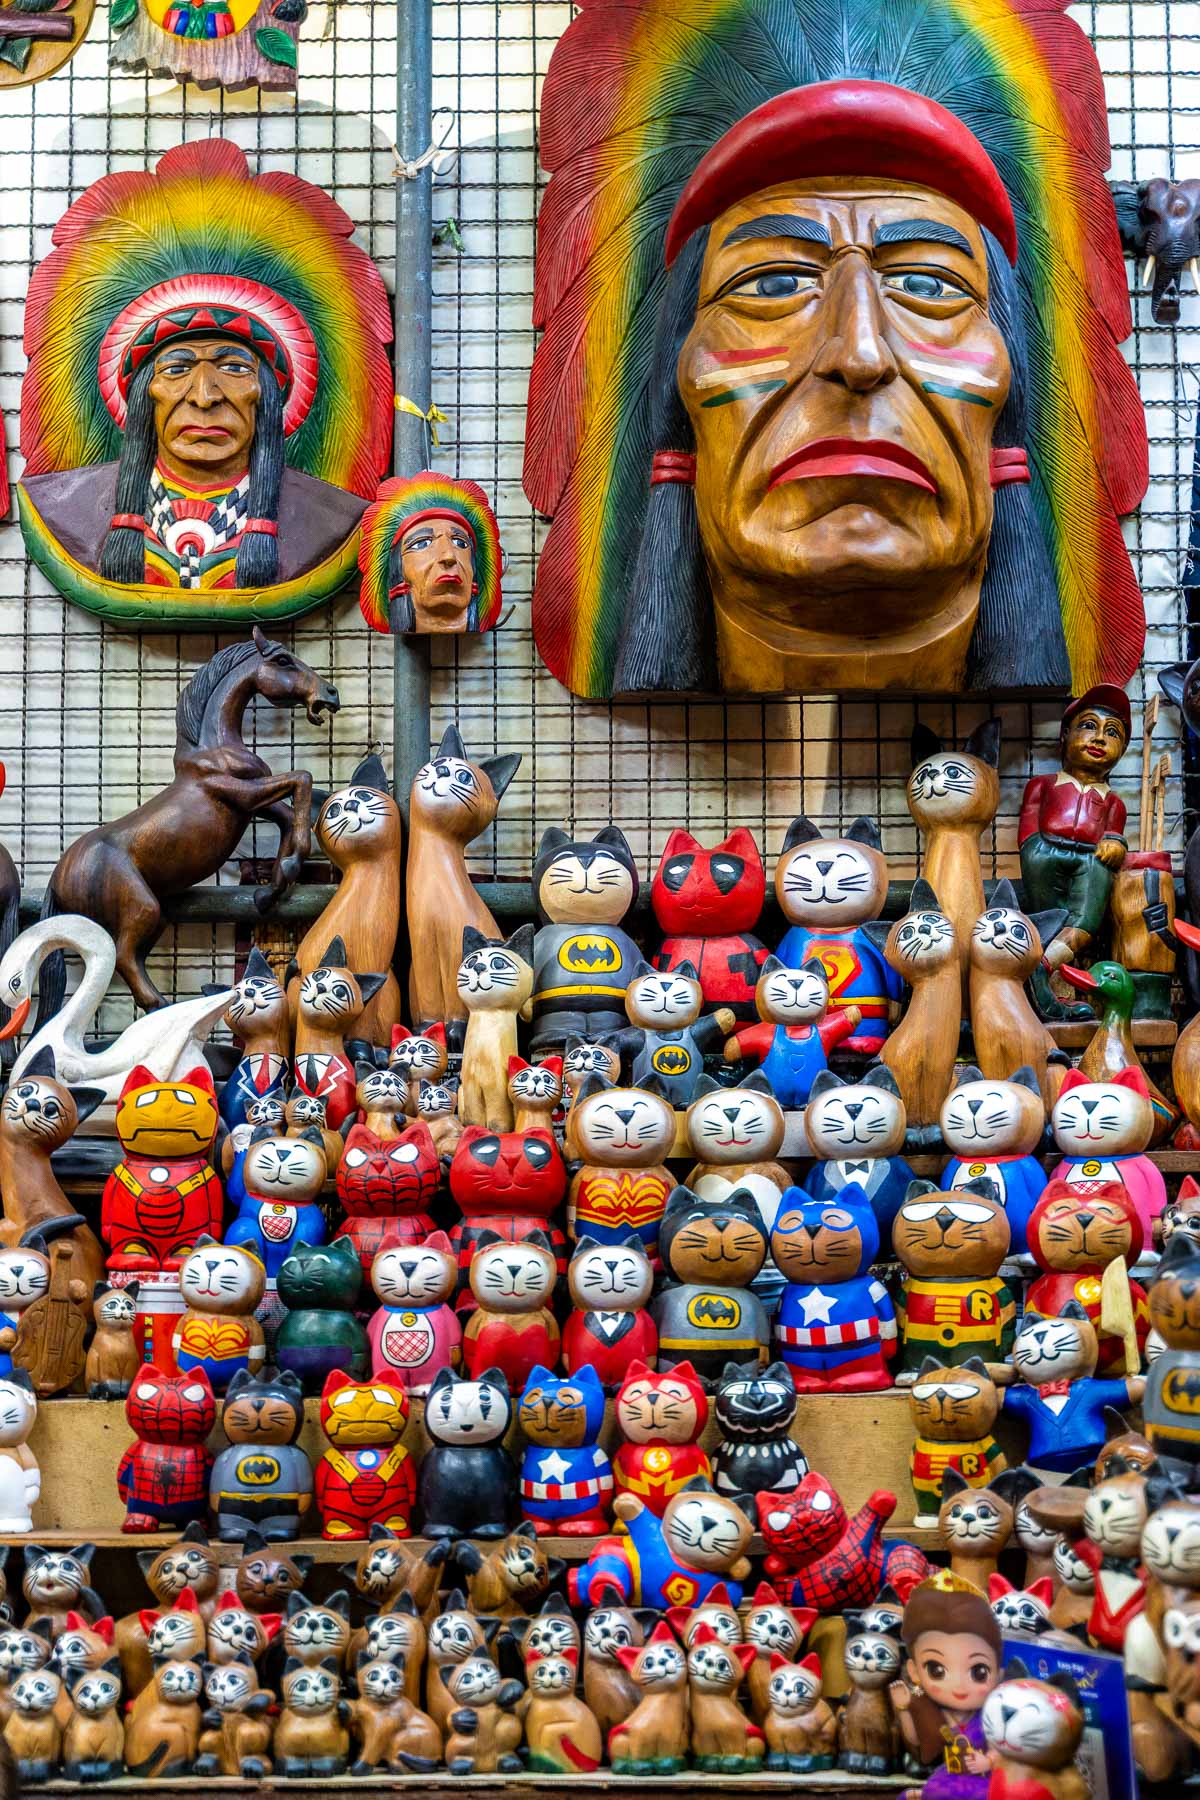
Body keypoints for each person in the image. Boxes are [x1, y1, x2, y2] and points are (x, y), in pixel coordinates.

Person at [1018, 685, 1131, 1017]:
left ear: (1122, 750)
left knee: (1084, 922)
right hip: (1045, 854)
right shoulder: (1043, 785)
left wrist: (1115, 844)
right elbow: (1028, 826)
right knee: (1047, 917)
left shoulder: (1113, 801)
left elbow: (1114, 833)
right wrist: (1034, 851)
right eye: (1088, 726)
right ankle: (1047, 985)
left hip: (1091, 860)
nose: (1098, 738)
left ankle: (1042, 967)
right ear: (1064, 736)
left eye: (1111, 733)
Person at [890, 1571, 1003, 1800]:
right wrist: (904, 1708)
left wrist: (988, 1760)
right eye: (937, 1671)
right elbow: (916, 1741)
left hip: (984, 1779)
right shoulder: (931, 1709)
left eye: (979, 1672)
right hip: (948, 1776)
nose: (958, 1686)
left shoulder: (991, 1713)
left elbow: (1006, 1748)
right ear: (914, 1671)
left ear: (998, 1673)